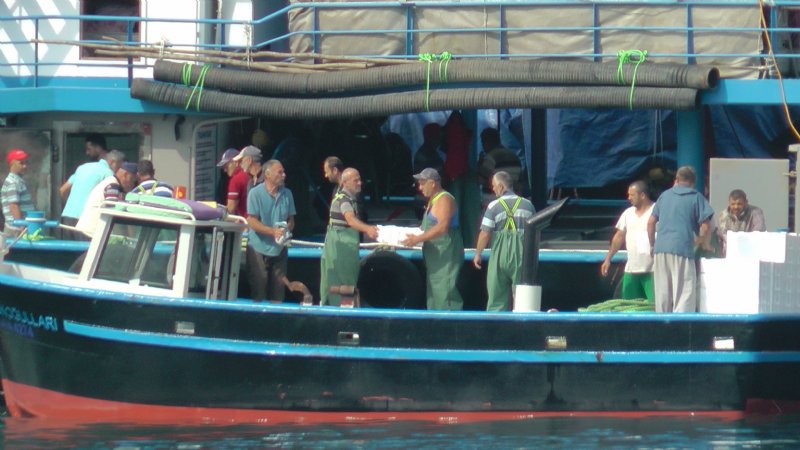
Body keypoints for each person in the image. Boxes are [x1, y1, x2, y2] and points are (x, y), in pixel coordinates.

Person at [647, 166, 714, 313]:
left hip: (660, 249)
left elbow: (651, 222)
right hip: (682, 248)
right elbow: (705, 225)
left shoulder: (664, 196)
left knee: (662, 291)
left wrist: (652, 245)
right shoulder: (696, 197)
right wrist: (704, 242)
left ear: (676, 179)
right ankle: (682, 326)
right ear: (693, 182)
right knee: (684, 291)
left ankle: (662, 322)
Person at [401, 167, 464, 310]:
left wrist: (417, 239)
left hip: (445, 257)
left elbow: (442, 227)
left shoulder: (444, 199)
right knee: (435, 296)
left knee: (445, 295)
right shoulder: (433, 200)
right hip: (434, 259)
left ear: (433, 183)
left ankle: (450, 328)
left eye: (423, 183)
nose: (420, 187)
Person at [472, 171, 536, 311]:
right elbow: (535, 232)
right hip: (522, 257)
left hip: (500, 256)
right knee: (523, 299)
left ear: (501, 187)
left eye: (494, 186)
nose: (493, 189)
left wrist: (478, 253)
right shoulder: (528, 205)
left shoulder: (493, 206)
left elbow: (485, 233)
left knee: (496, 297)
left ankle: (495, 329)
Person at [319, 168, 379, 306]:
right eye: (355, 180)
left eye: (360, 179)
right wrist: (368, 229)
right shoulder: (344, 201)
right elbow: (351, 220)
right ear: (345, 183)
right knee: (343, 286)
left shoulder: (350, 200)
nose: (360, 183)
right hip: (340, 253)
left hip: (345, 251)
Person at [246, 159, 296, 302]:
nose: (284, 175)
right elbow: (252, 221)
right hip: (258, 248)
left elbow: (291, 220)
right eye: (280, 172)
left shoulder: (288, 194)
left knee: (278, 293)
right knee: (259, 290)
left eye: (283, 172)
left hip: (279, 249)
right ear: (267, 175)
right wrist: (272, 231)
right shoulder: (255, 193)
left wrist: (287, 228)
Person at [601, 181, 655, 302]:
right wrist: (608, 258)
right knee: (628, 307)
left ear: (642, 195)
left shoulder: (657, 211)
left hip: (653, 270)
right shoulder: (627, 213)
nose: (628, 198)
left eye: (632, 195)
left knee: (654, 306)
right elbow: (619, 236)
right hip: (631, 270)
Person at [59, 134, 114, 236]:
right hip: (86, 218)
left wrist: (72, 205)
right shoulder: (107, 172)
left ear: (98, 148)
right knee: (85, 250)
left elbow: (62, 190)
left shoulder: (81, 168)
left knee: (68, 249)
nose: (87, 152)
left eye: (89, 149)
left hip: (68, 215)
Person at [75, 152, 131, 238]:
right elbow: (111, 212)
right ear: (125, 175)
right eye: (133, 181)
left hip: (85, 229)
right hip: (90, 233)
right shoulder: (113, 185)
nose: (132, 185)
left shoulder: (112, 182)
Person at [716, 189, 766, 257]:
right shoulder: (723, 215)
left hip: (751, 252)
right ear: (729, 203)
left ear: (746, 202)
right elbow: (725, 236)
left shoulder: (756, 212)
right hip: (729, 254)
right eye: (733, 204)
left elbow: (759, 232)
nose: (736, 207)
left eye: (739, 204)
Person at [2, 149, 35, 236]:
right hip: (16, 228)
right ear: (12, 164)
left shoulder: (17, 181)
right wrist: (21, 225)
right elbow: (13, 205)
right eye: (21, 163)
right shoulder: (13, 182)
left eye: (26, 163)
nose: (25, 166)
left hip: (19, 226)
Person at [478, 127, 522, 193]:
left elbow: (481, 179)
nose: (483, 146)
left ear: (487, 142)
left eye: (483, 142)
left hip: (494, 198)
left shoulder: (491, 157)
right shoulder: (514, 156)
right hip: (513, 197)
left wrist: (479, 165)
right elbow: (520, 181)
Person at [227, 145, 262, 217]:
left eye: (241, 161)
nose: (239, 164)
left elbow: (231, 208)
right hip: (253, 224)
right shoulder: (250, 182)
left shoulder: (268, 179)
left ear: (249, 160)